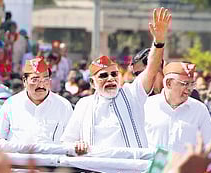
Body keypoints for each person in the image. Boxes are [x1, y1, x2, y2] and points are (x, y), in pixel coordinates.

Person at [61, 7, 171, 154]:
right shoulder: (84, 105)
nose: (111, 79)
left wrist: (158, 43)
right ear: (93, 83)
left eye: (114, 74)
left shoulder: (132, 93)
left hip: (130, 172)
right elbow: (67, 142)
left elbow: (151, 69)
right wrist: (77, 145)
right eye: (103, 76)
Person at [0, 56, 73, 153]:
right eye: (35, 80)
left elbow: (71, 140)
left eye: (45, 80)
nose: (41, 85)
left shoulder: (63, 105)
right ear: (24, 81)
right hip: (18, 165)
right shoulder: (11, 104)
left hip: (52, 164)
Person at [145, 62, 211, 153]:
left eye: (192, 84)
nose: (190, 89)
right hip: (150, 166)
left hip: (186, 167)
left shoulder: (199, 109)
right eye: (185, 84)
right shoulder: (147, 105)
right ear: (168, 83)